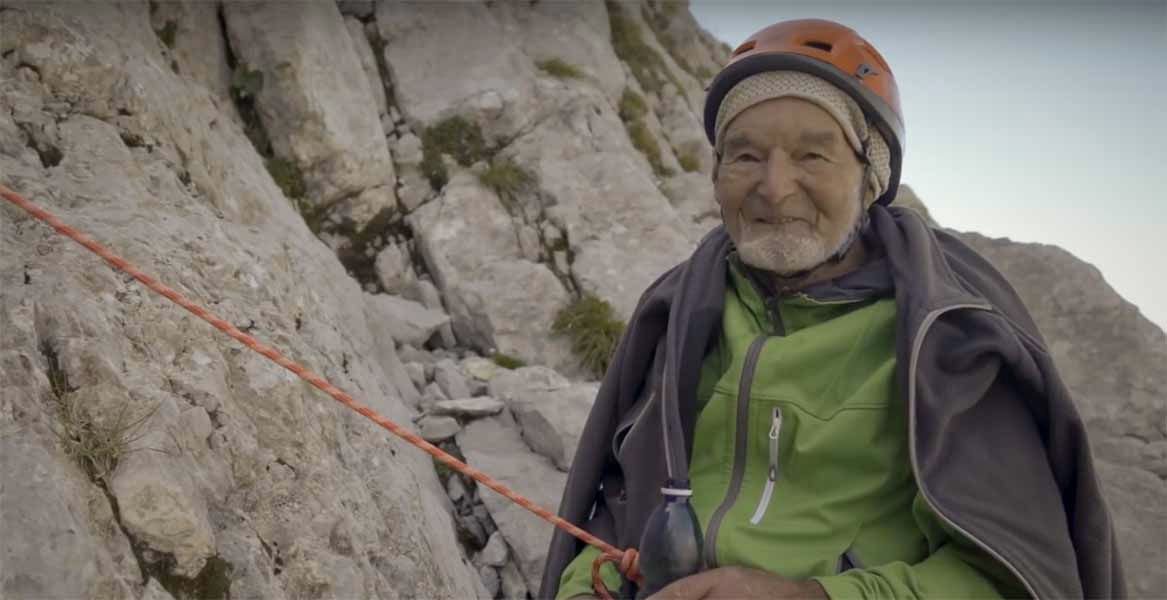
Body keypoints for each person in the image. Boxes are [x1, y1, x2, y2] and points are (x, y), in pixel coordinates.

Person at [539, 18, 1125, 600]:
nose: (775, 187)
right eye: (745, 156)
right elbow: (618, 508)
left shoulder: (949, 338)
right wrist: (585, 588)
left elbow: (1013, 582)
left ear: (871, 176)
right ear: (716, 175)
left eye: (813, 156)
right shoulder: (679, 314)